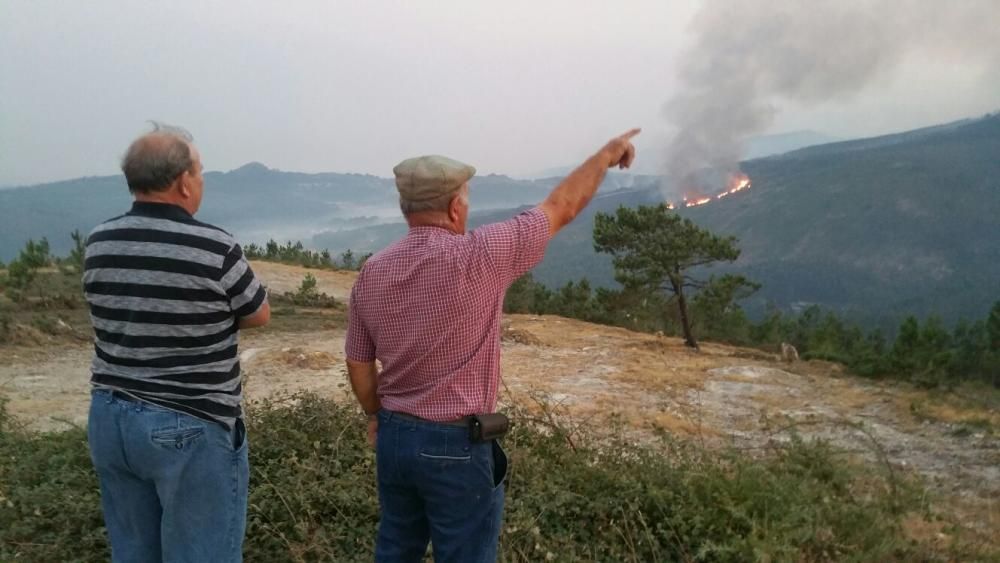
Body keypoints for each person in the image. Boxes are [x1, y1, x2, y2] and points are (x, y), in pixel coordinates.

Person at [346, 128, 639, 562]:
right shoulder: (481, 255)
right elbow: (562, 207)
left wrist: (376, 415)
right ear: (453, 207)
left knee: (395, 549)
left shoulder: (373, 270)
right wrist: (607, 154)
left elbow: (358, 363)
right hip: (455, 446)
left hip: (394, 439)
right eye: (466, 198)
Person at [83, 123, 270, 563]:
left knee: (133, 553)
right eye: (200, 172)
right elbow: (259, 314)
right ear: (184, 181)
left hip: (111, 420)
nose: (201, 181)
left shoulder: (99, 240)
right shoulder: (214, 246)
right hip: (190, 422)